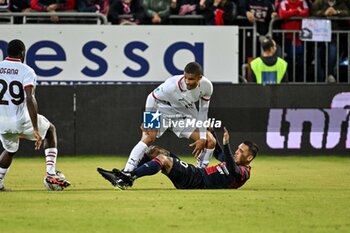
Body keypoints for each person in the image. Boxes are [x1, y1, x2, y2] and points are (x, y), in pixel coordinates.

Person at [0, 39, 70, 191]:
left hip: (1, 122)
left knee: (10, 150)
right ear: (22, 53)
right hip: (20, 120)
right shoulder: (26, 70)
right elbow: (29, 98)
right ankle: (51, 173)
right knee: (50, 130)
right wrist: (35, 128)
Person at [97, 127, 258, 189]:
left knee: (164, 160)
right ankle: (127, 175)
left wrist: (228, 144)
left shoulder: (244, 172)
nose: (237, 152)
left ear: (249, 157)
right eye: (237, 149)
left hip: (198, 182)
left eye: (241, 151)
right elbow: (218, 153)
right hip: (196, 175)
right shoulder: (233, 160)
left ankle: (129, 177)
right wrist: (211, 133)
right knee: (155, 151)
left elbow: (232, 168)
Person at [312, 0, 350, 83]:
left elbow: (347, 13)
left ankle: (329, 74)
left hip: (335, 34)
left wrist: (336, 12)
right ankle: (319, 80)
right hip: (319, 35)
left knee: (333, 52)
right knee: (319, 58)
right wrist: (324, 13)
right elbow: (313, 13)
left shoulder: (341, 3)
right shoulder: (318, 2)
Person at [278, 0, 310, 82]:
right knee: (289, 63)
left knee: (301, 63)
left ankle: (301, 84)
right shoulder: (284, 3)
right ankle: (288, 84)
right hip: (287, 38)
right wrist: (297, 11)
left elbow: (306, 13)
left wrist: (290, 12)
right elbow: (282, 14)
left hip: (301, 38)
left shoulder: (303, 2)